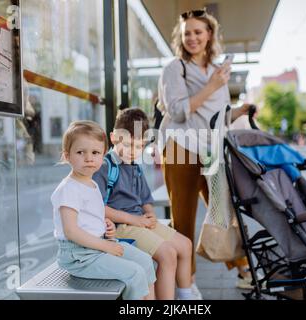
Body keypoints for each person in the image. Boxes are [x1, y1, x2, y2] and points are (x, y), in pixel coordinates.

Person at [157, 8, 255, 290]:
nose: (192, 38)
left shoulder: (217, 72)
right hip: (180, 146)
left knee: (222, 211)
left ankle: (243, 270)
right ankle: (186, 285)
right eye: (187, 33)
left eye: (198, 32)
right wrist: (212, 86)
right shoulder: (175, 68)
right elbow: (177, 111)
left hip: (209, 149)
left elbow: (220, 115)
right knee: (183, 218)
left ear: (209, 34)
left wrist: (240, 111)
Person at [93, 108, 200, 300]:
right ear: (113, 137)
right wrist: (135, 220)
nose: (134, 152)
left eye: (140, 146)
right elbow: (99, 208)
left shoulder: (135, 166)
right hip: (120, 227)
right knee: (168, 254)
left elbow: (145, 199)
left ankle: (186, 297)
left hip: (139, 222)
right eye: (128, 144)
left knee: (185, 245)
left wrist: (150, 214)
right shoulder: (104, 166)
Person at [51, 120, 156, 300]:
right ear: (67, 156)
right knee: (135, 273)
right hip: (79, 255)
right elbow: (71, 231)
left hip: (96, 246)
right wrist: (106, 246)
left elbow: (89, 216)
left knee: (146, 261)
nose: (89, 158)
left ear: (103, 155)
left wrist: (106, 225)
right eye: (80, 152)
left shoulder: (91, 184)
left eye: (95, 152)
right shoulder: (68, 189)